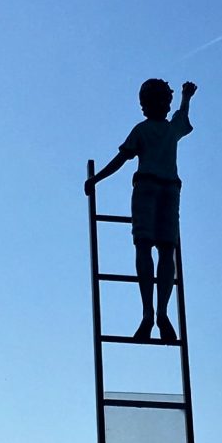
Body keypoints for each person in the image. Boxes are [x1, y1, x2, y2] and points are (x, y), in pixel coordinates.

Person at [86, 78, 197, 341]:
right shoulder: (144, 130)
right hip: (150, 189)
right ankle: (149, 313)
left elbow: (182, 116)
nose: (163, 105)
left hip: (167, 190)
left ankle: (160, 313)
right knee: (146, 247)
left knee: (166, 250)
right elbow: (122, 158)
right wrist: (97, 179)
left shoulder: (170, 129)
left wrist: (186, 97)